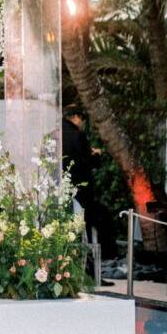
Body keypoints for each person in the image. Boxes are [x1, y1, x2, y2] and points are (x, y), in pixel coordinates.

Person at [62, 104, 117, 260]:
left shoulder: (54, 134)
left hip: (62, 193)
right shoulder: (77, 135)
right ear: (76, 117)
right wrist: (96, 155)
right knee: (101, 220)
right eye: (83, 119)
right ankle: (100, 261)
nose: (83, 123)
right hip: (81, 193)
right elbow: (87, 162)